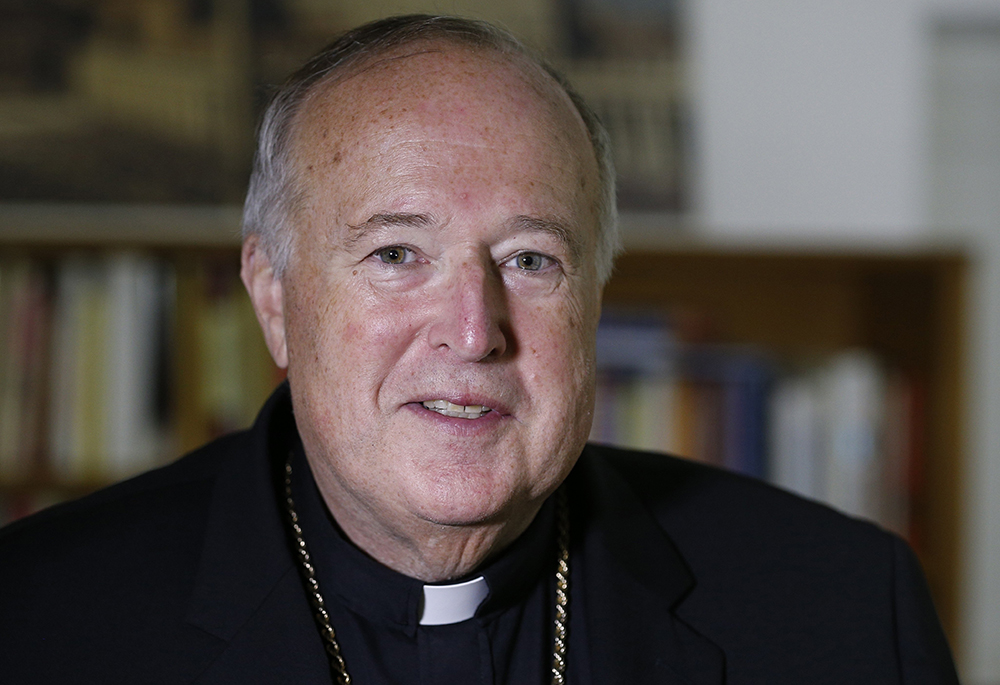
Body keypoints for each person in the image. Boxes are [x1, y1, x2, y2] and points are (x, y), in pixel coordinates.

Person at [0, 14, 959, 684]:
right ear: (275, 298)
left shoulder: (842, 609)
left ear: (593, 299)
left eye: (531, 258)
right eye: (396, 252)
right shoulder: (39, 618)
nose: (473, 329)